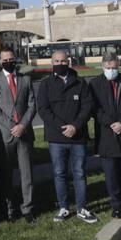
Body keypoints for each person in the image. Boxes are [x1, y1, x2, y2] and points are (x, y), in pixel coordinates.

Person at [35, 49, 98, 223]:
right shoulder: (46, 84)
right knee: (59, 173)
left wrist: (75, 126)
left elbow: (87, 106)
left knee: (79, 173)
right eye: (57, 61)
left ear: (68, 62)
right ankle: (63, 207)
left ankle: (82, 208)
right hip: (56, 138)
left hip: (78, 137)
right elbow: (43, 109)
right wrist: (62, 127)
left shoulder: (80, 82)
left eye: (63, 61)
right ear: (52, 63)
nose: (60, 64)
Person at [0, 47, 36, 222]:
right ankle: (8, 209)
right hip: (5, 134)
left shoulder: (26, 79)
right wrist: (12, 125)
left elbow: (31, 105)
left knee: (27, 173)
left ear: (16, 59)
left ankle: (28, 208)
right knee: (6, 175)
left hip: (25, 133)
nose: (8, 62)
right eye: (5, 59)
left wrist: (22, 125)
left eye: (11, 59)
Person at [88, 54, 121, 219]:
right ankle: (117, 205)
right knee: (111, 174)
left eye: (115, 68)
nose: (112, 71)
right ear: (103, 66)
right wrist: (112, 123)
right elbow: (94, 108)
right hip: (107, 136)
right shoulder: (95, 84)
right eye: (109, 68)